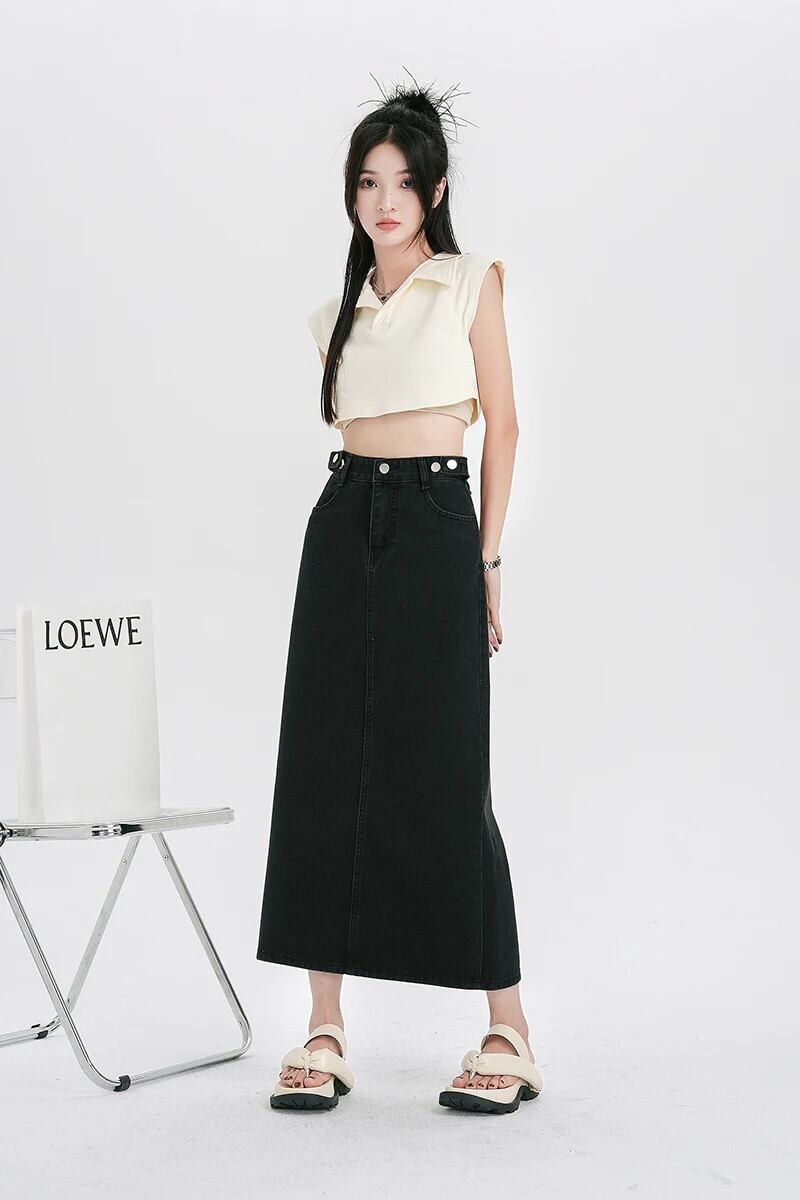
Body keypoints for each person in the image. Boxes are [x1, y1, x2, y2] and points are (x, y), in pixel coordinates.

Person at [256, 77, 543, 1115]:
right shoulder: (333, 316)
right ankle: (324, 1025)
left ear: (435, 191)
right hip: (341, 523)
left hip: (434, 522)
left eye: (404, 183)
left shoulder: (468, 285)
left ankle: (507, 1030)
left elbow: (502, 426)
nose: (385, 201)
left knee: (450, 770)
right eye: (368, 182)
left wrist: (487, 563)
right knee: (322, 764)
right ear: (351, 192)